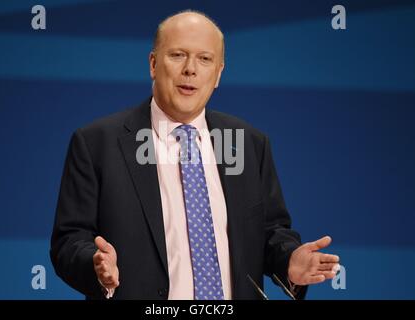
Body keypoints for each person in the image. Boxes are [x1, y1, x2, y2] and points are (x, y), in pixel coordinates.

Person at [50, 10, 340, 300]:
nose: (191, 69)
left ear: (218, 74)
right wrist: (95, 266)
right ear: (153, 64)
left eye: (205, 59)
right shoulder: (97, 143)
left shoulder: (248, 143)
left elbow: (270, 232)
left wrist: (290, 260)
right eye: (177, 55)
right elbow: (69, 240)